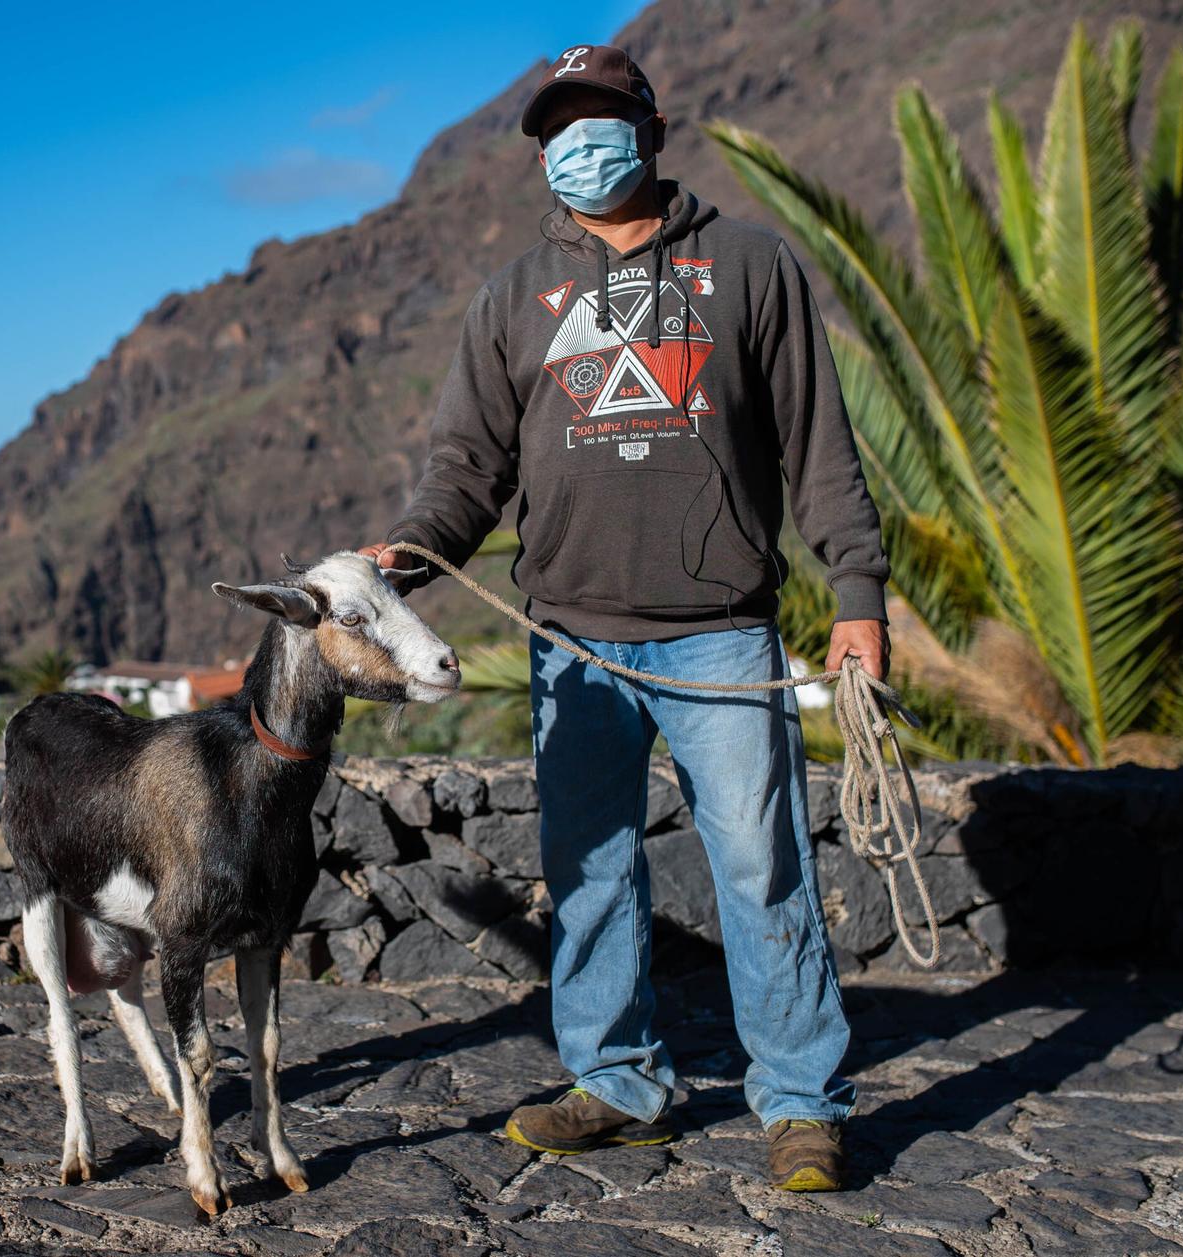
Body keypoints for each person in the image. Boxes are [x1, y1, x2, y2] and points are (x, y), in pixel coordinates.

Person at [359, 42, 889, 1192]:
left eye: (601, 119)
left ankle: (800, 1100)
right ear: (540, 152)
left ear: (651, 129)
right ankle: (617, 1084)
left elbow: (819, 452)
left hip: (720, 633)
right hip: (570, 642)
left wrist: (856, 594)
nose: (580, 142)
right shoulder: (511, 297)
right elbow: (465, 469)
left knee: (762, 869)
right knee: (588, 873)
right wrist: (404, 558)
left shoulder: (751, 265)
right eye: (559, 126)